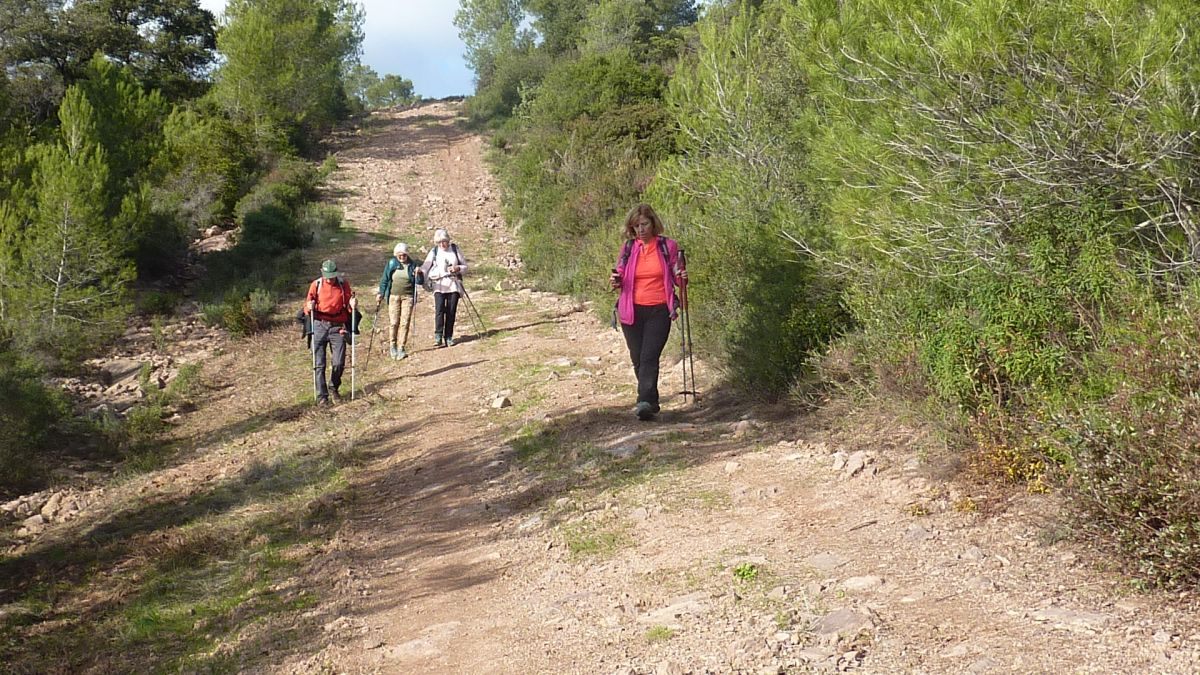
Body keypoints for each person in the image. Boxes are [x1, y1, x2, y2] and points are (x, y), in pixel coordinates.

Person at [610, 204, 687, 421]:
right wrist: (616, 280)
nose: (641, 230)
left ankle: (643, 400)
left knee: (649, 356)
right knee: (637, 358)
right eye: (636, 226)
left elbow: (676, 275)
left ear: (653, 223)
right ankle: (651, 400)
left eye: (644, 224)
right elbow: (621, 272)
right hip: (631, 310)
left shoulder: (667, 246)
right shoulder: (628, 248)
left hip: (659, 309)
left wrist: (681, 276)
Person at [303, 259, 357, 405]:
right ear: (322, 273)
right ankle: (322, 397)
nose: (329, 278)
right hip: (319, 325)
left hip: (337, 326)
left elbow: (349, 307)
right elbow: (306, 307)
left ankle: (333, 387)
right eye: (327, 275)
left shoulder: (342, 284)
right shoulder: (316, 285)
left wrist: (353, 305)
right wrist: (309, 306)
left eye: (332, 275)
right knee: (319, 364)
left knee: (338, 362)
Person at [420, 228, 468, 347]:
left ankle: (449, 336)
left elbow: (465, 267)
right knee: (439, 310)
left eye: (444, 241)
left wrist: (458, 268)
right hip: (439, 284)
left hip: (453, 284)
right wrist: (419, 272)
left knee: (451, 311)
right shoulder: (434, 251)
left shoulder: (455, 249)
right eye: (440, 242)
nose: (442, 244)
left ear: (448, 240)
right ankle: (438, 335)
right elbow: (426, 265)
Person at [375, 242, 423, 360]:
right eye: (399, 255)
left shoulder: (412, 265)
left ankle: (401, 347)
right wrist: (381, 293)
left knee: (405, 322)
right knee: (394, 322)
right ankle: (393, 346)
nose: (402, 257)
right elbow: (385, 280)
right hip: (393, 297)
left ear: (407, 254)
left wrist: (419, 273)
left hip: (408, 297)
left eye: (404, 255)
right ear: (396, 255)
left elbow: (419, 282)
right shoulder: (391, 263)